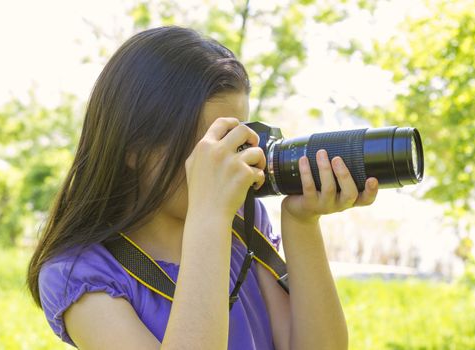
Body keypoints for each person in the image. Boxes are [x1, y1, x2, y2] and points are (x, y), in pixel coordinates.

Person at [27, 26, 378, 350]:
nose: (229, 162)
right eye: (210, 146)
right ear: (133, 147)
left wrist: (302, 225)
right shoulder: (81, 273)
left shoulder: (243, 226)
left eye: (235, 141)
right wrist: (208, 218)